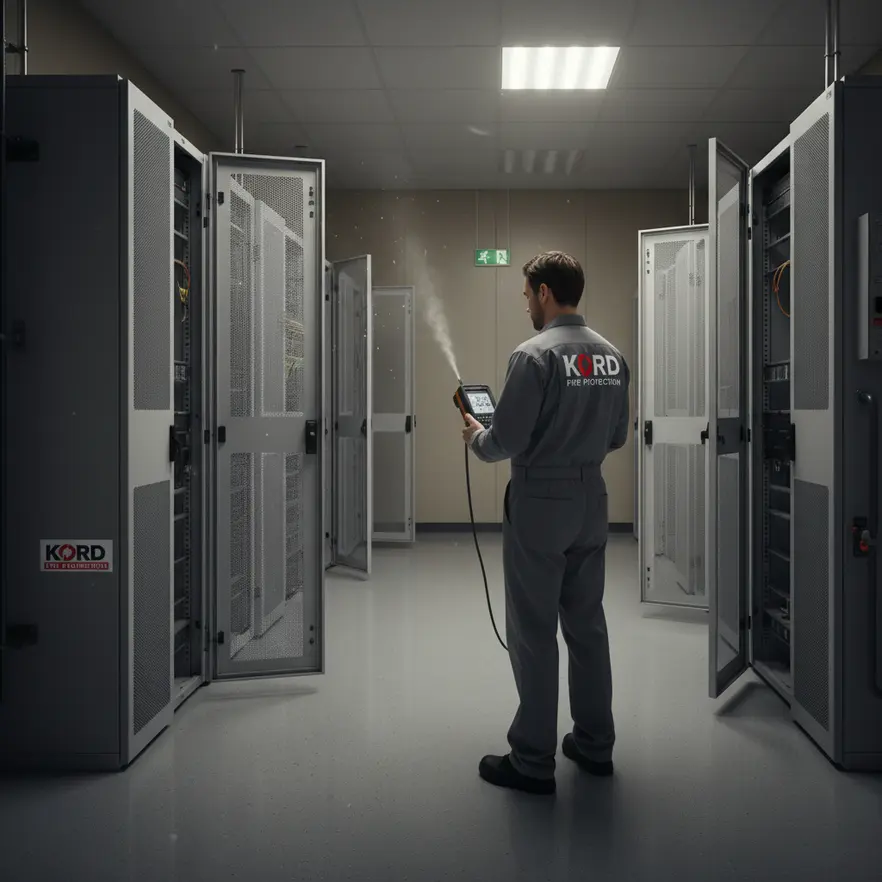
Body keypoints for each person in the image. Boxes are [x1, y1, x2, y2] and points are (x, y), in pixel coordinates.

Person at [462, 251, 630, 796]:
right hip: (591, 496)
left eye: (525, 293)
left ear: (542, 292)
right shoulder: (611, 356)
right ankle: (594, 743)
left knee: (533, 630)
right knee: (587, 624)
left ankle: (532, 760)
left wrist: (475, 436)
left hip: (540, 501)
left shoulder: (532, 356)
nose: (525, 304)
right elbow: (616, 437)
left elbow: (505, 441)